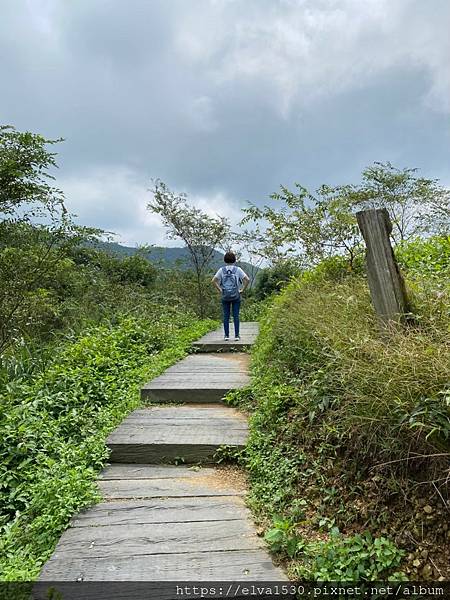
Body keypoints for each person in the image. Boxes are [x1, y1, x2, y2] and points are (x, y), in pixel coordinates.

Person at [212, 252, 250, 341]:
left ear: (225, 260)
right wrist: (242, 289)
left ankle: (226, 336)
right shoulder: (238, 269)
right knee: (236, 315)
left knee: (226, 316)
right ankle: (237, 336)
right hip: (236, 295)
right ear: (234, 260)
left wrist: (220, 290)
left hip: (225, 296)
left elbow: (213, 281)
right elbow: (247, 279)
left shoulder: (221, 270)